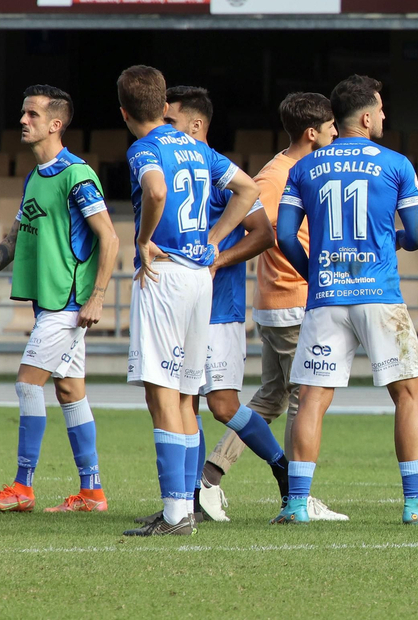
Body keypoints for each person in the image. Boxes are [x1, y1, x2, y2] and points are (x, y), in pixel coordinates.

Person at [273, 75, 418, 527]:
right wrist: (397, 242)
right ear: (366, 117)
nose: (385, 117)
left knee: (312, 397)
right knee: (408, 393)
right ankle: (416, 502)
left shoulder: (304, 167)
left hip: (325, 295)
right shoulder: (396, 164)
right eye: (382, 110)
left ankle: (297, 503)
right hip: (378, 294)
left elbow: (285, 235)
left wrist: (312, 270)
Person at [0, 86, 115, 515]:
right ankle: (92, 493)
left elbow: (110, 238)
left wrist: (97, 298)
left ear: (56, 124)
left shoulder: (77, 175)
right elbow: (17, 237)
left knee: (27, 383)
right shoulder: (36, 177)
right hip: (50, 303)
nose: (23, 120)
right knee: (70, 390)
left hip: (67, 304)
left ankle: (23, 487)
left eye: (33, 114)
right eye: (24, 113)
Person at [118, 65, 260, 536]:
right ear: (163, 106)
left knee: (160, 393)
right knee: (183, 394)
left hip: (166, 274)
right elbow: (248, 189)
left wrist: (143, 238)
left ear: (123, 112)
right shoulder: (198, 148)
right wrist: (216, 238)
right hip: (201, 276)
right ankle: (180, 510)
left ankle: (177, 513)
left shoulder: (144, 148)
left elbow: (156, 190)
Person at [199, 93, 346, 522]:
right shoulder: (276, 177)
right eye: (332, 126)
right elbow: (272, 237)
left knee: (271, 397)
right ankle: (297, 498)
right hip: (291, 301)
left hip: (278, 303)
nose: (337, 133)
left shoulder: (286, 169)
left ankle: (208, 479)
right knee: (307, 397)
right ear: (312, 132)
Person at [159, 87, 283, 523]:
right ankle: (191, 497)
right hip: (180, 305)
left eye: (170, 122)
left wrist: (218, 259)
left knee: (224, 405)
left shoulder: (221, 175)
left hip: (220, 307)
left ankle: (283, 469)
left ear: (196, 126)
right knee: (183, 403)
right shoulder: (169, 169)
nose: (163, 130)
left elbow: (264, 234)